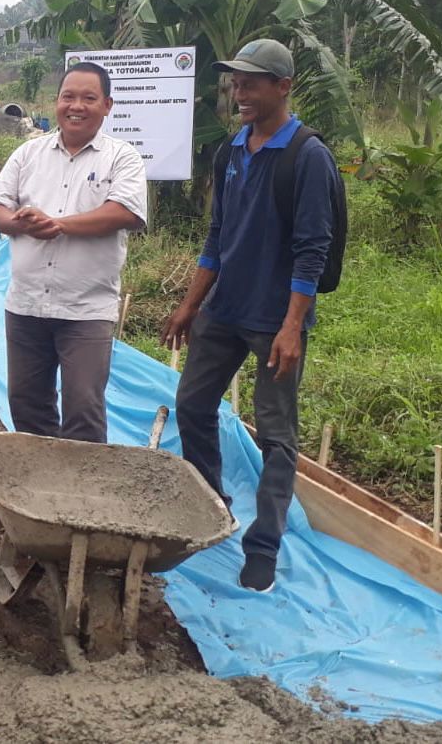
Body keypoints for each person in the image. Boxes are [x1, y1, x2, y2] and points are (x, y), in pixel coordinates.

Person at [162, 39, 338, 593]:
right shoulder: (232, 148)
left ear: (283, 87)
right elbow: (218, 234)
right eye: (235, 82)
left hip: (274, 321)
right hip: (224, 308)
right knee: (191, 403)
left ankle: (263, 545)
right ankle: (213, 502)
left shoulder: (307, 155)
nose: (239, 92)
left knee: (276, 432)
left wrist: (291, 327)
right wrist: (191, 303)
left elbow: (313, 248)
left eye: (251, 83)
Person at [0, 62, 147, 444]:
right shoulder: (28, 154)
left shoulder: (121, 157)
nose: (77, 106)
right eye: (68, 96)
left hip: (86, 310)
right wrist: (20, 223)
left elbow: (126, 212)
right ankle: (39, 492)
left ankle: (82, 498)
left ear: (107, 105)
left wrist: (58, 225)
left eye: (88, 98)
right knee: (27, 404)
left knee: (84, 410)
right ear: (56, 102)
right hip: (25, 307)